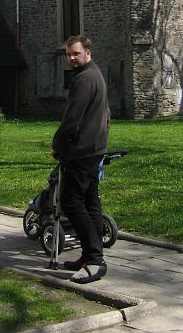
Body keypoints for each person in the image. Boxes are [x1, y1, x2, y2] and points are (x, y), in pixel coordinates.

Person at [51, 34, 110, 284]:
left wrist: (58, 145)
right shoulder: (94, 74)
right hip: (94, 148)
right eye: (68, 55)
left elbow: (72, 119)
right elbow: (105, 113)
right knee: (90, 204)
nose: (71, 59)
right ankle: (89, 256)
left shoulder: (85, 79)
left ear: (88, 53)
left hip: (83, 151)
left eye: (76, 54)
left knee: (71, 202)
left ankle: (95, 260)